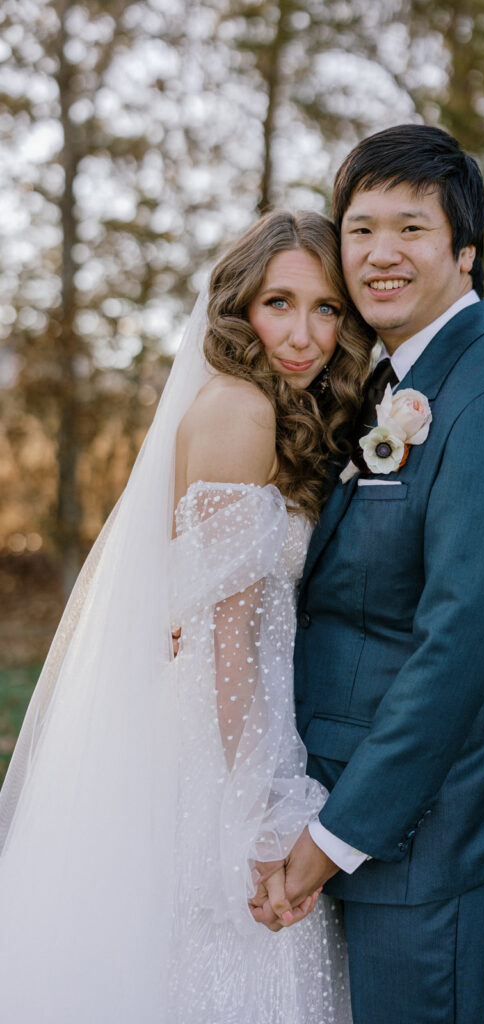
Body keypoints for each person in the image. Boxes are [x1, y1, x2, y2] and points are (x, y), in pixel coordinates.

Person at [0, 210, 375, 1023]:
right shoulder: (241, 411)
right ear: (239, 309)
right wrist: (260, 809)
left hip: (230, 720)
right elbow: (225, 641)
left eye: (326, 309)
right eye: (279, 303)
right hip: (220, 743)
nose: (304, 334)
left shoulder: (264, 408)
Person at [252, 125, 484, 1024]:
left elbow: (459, 655)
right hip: (329, 789)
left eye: (410, 229)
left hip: (418, 838)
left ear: (464, 253)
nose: (379, 254)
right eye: (359, 229)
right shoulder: (381, 380)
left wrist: (330, 840)